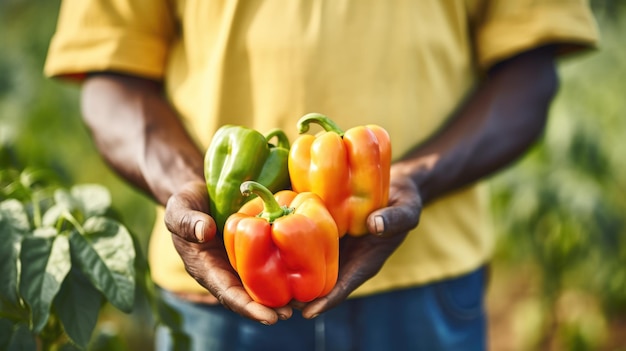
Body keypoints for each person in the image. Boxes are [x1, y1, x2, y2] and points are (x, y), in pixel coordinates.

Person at [44, 1, 598, 350]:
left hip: (429, 284)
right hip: (217, 285)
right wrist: (186, 192)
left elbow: (530, 67)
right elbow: (110, 72)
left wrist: (419, 177)